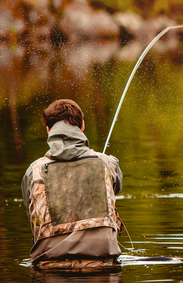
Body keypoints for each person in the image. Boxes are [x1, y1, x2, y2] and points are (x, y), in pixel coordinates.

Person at [21, 99, 124, 269]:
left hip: (47, 271)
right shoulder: (108, 163)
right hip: (103, 268)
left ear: (48, 130)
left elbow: (32, 218)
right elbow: (115, 190)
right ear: (82, 126)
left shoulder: (33, 171)